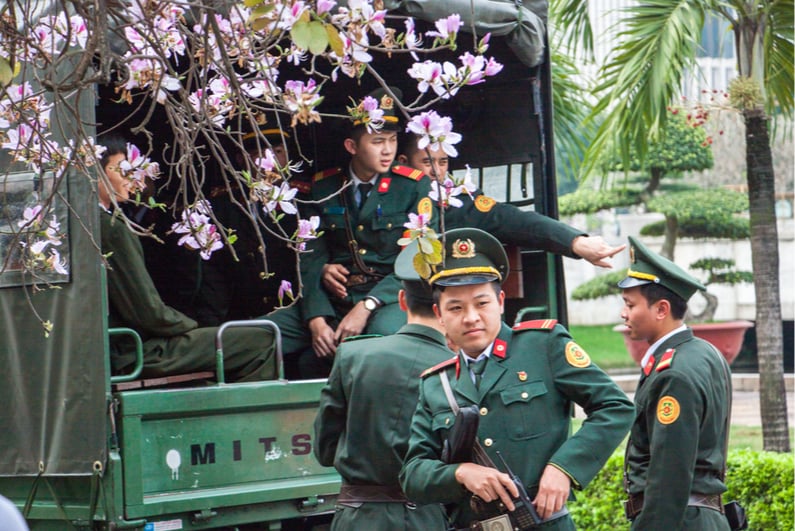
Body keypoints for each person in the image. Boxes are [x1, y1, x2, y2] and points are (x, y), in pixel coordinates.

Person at [399, 227, 634, 530]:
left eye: (481, 303)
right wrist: (460, 474)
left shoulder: (543, 346)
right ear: (439, 315)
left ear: (500, 301)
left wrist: (563, 468)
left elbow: (615, 407)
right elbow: (413, 474)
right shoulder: (435, 384)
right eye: (456, 308)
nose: (470, 317)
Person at [321, 136, 625, 300]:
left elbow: (512, 220)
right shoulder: (380, 193)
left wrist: (576, 242)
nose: (437, 172)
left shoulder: (456, 203)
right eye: (427, 162)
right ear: (403, 163)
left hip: (415, 303)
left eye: (443, 163)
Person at [268, 88, 437, 378]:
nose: (388, 150)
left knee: (379, 343)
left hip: (389, 297)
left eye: (393, 140)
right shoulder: (323, 187)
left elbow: (417, 260)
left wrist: (367, 305)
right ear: (351, 146)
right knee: (260, 336)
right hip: (334, 301)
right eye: (377, 141)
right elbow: (309, 254)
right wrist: (316, 318)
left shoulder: (413, 186)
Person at [98, 136, 277, 382]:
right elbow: (148, 312)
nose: (133, 180)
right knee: (263, 339)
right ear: (94, 172)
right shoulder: (110, 227)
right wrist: (192, 327)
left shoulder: (91, 220)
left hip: (123, 345)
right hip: (134, 351)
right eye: (122, 170)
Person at [312, 241, 452, 530]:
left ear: (401, 300)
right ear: (446, 307)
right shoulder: (459, 368)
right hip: (426, 518)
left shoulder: (351, 355)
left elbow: (325, 451)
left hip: (356, 517)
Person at [618, 236, 731, 530]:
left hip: (679, 521)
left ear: (661, 309)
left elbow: (669, 474)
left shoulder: (673, 373)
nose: (624, 313)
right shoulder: (704, 352)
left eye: (630, 304)